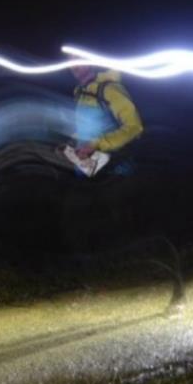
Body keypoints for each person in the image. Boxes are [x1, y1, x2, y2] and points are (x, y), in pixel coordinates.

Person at [61, 63, 144, 252]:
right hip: (88, 168)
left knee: (117, 222)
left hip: (117, 170)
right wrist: (70, 143)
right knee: (79, 216)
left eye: (80, 59)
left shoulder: (111, 89)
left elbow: (134, 127)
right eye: (71, 60)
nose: (75, 65)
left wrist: (96, 144)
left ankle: (130, 265)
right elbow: (86, 129)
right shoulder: (80, 92)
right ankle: (92, 267)